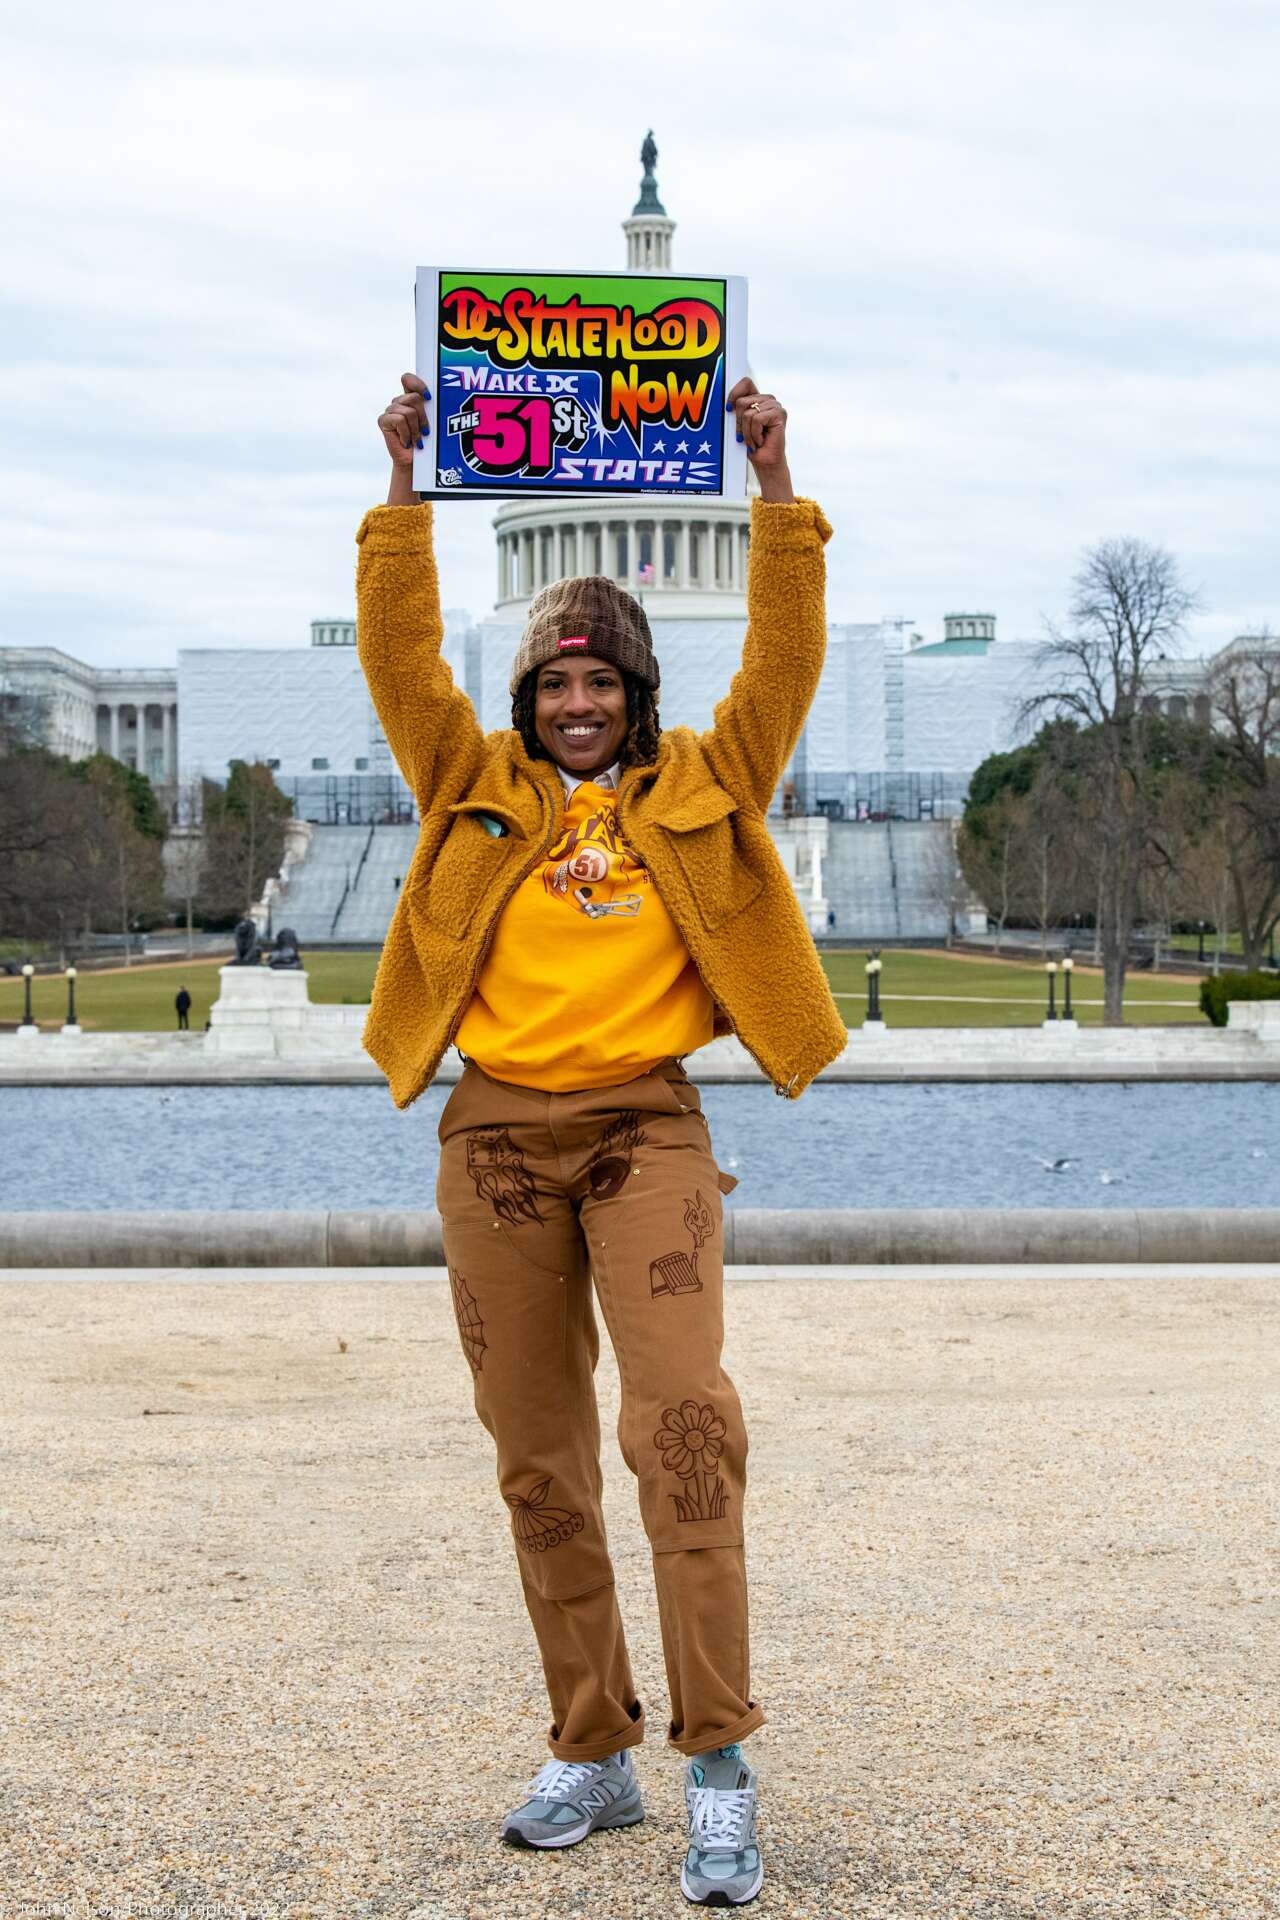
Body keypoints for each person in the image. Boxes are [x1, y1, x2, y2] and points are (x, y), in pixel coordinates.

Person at [357, 370, 846, 1908]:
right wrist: (402, 485)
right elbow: (399, 657)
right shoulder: (468, 783)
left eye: (604, 684)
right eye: (557, 683)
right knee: (538, 1458)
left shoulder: (708, 781)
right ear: (529, 697)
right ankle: (593, 1743)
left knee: (684, 1423)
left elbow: (783, 658)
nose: (579, 705)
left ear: (637, 693)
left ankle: (719, 1767)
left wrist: (776, 483)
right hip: (495, 1140)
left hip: (647, 1129)